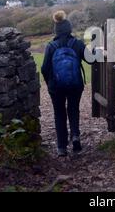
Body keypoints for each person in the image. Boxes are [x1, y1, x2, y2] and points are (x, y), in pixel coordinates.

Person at [41, 11, 86, 157]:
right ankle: (75, 136)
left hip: (56, 87)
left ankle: (61, 147)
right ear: (69, 29)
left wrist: (50, 84)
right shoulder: (77, 44)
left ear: (56, 30)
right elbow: (91, 60)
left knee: (59, 113)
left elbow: (44, 68)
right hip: (75, 85)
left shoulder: (51, 46)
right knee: (73, 109)